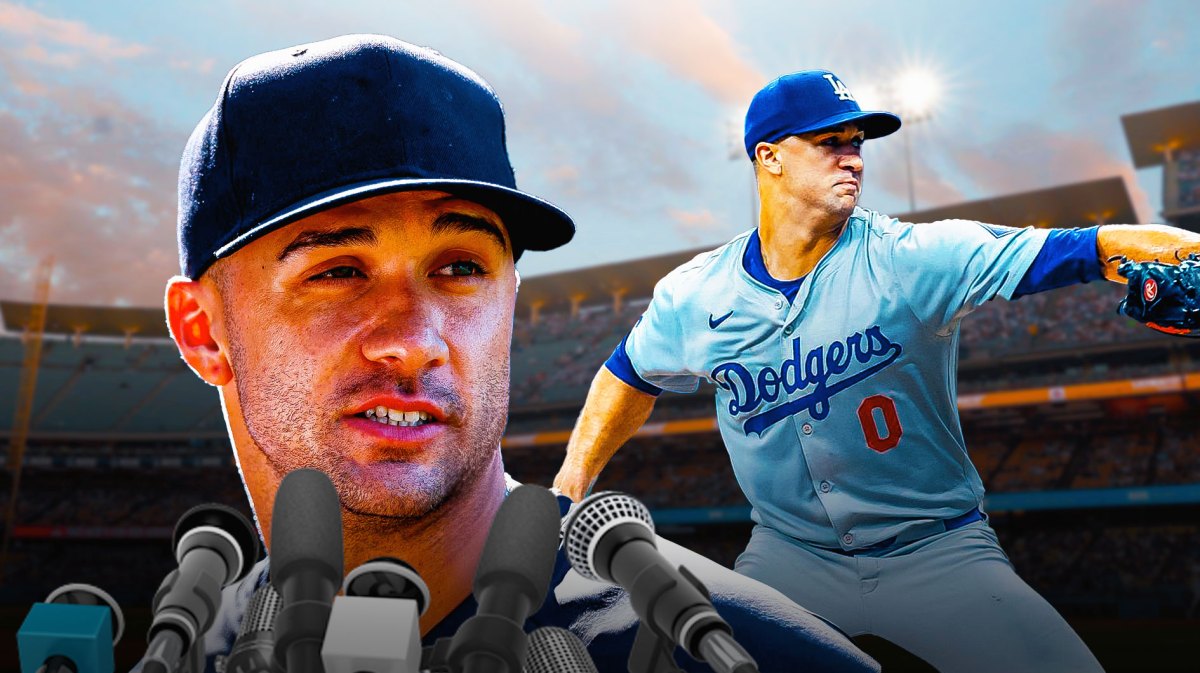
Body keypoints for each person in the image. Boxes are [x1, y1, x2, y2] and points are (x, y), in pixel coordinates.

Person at [165, 37, 878, 673]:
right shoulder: (193, 645)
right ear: (202, 330)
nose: (415, 338)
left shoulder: (738, 652)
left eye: (461, 267)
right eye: (338, 271)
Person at [553, 69, 1200, 672]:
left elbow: (1089, 248)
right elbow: (627, 374)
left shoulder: (913, 258)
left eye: (857, 142)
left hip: (938, 554)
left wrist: (1185, 250)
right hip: (788, 559)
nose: (854, 156)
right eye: (830, 142)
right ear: (768, 157)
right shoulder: (694, 294)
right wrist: (570, 484)